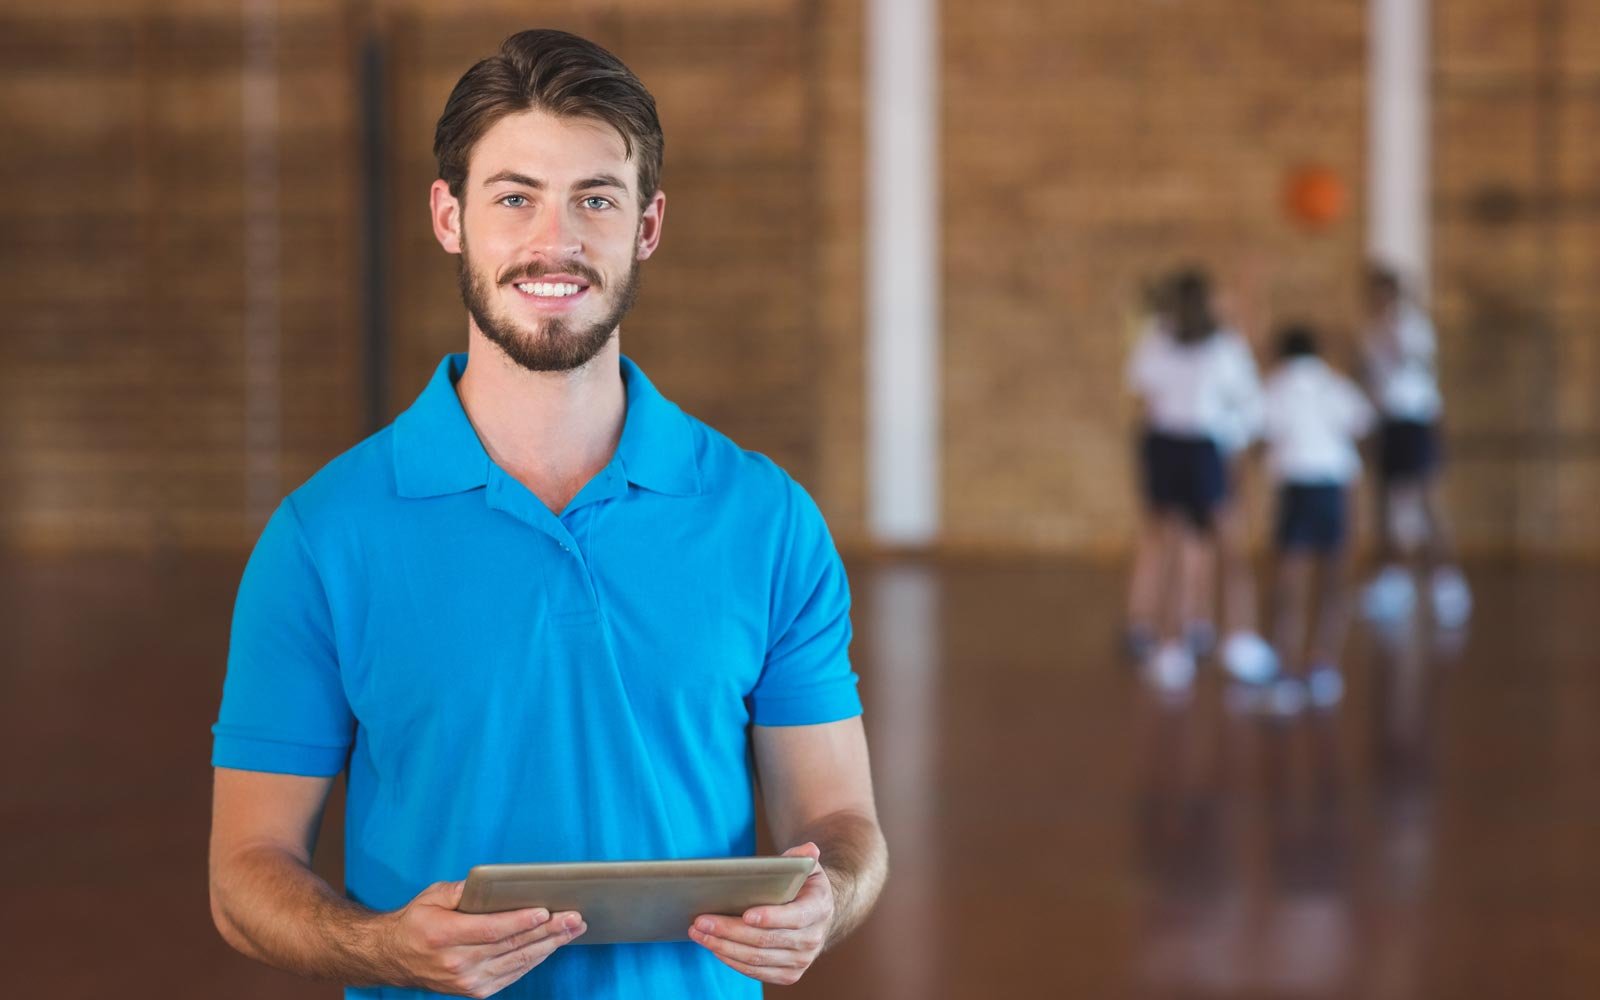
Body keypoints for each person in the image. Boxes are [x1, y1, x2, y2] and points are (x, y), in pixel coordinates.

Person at [208, 30, 887, 1000]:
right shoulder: (321, 538)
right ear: (450, 216)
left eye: (595, 199)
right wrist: (380, 945)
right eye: (515, 196)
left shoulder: (767, 519)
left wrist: (831, 897)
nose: (553, 241)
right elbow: (244, 871)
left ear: (647, 224)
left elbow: (842, 820)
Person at [1124, 268, 1275, 692]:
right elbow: (1142, 392)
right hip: (1168, 445)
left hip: (1207, 448)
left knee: (1228, 541)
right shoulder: (1158, 340)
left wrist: (1237, 446)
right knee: (1171, 540)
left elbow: (1248, 403)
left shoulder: (1225, 346)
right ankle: (1171, 642)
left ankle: (1239, 637)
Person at [1258, 324, 1376, 713]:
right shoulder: (1333, 384)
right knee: (1334, 578)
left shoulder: (1277, 384)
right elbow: (1364, 424)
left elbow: (1260, 431)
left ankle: (1286, 667)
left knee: (1289, 582)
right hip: (1333, 486)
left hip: (1296, 488)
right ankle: (1323, 663)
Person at [1360, 264, 1471, 628]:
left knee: (1427, 500)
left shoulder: (1411, 327)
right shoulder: (1371, 331)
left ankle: (1447, 580)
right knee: (1386, 500)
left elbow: (1420, 367)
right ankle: (1393, 579)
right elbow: (1371, 379)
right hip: (1388, 421)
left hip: (1415, 419)